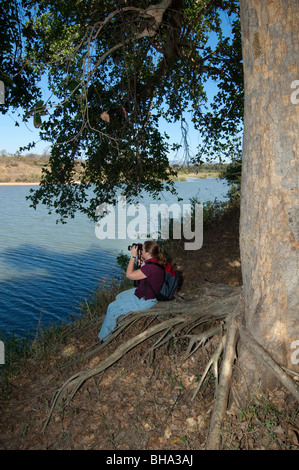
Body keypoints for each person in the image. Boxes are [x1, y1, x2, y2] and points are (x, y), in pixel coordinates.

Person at [98, 240, 167, 341]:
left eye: (142, 249)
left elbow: (129, 275)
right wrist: (139, 256)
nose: (140, 250)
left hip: (145, 300)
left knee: (112, 307)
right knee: (119, 297)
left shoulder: (151, 268)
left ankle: (104, 338)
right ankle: (119, 322)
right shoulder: (153, 262)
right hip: (144, 293)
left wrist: (133, 256)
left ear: (147, 253)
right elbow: (142, 269)